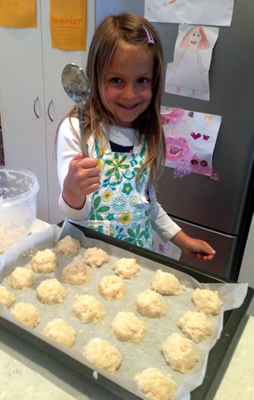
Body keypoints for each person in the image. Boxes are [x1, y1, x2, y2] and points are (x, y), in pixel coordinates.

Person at [56, 13, 216, 261]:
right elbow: (76, 214)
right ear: (95, 78)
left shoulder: (145, 136)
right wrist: (72, 190)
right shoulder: (77, 131)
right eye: (116, 80)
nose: (130, 94)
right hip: (86, 260)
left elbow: (147, 204)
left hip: (137, 259)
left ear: (154, 82)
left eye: (142, 80)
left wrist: (182, 240)